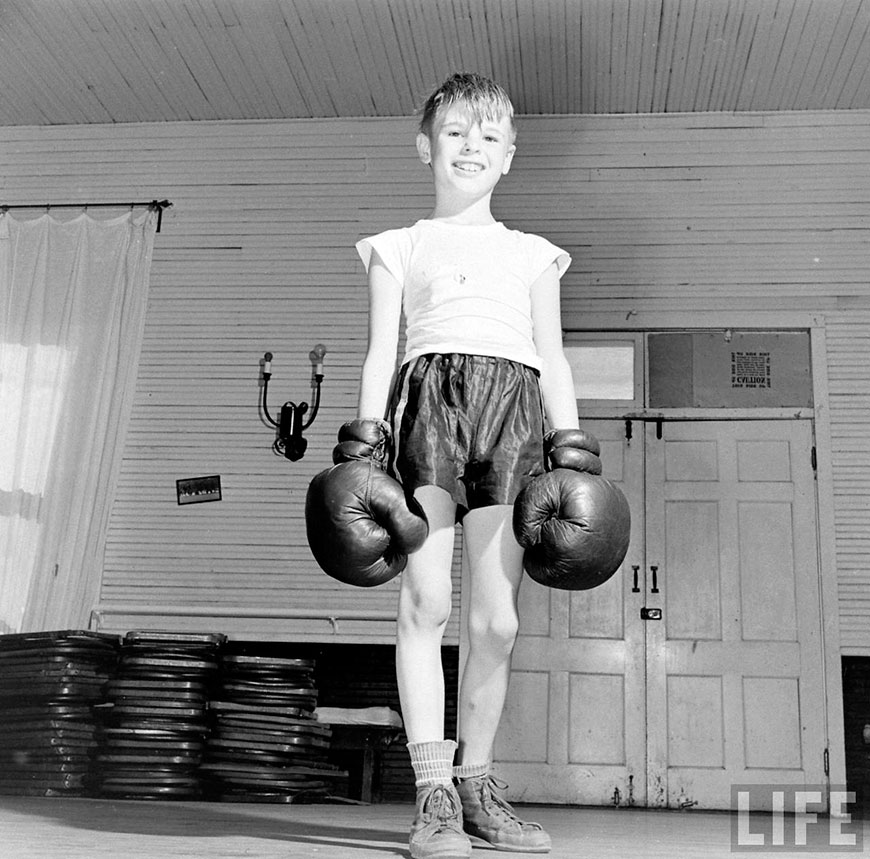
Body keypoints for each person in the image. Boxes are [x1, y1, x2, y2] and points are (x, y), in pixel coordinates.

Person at [354, 72, 579, 859]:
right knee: (424, 603)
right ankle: (433, 795)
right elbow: (384, 348)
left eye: (488, 136)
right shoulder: (398, 245)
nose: (471, 147)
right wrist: (364, 437)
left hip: (512, 413)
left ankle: (478, 787)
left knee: (497, 618)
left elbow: (550, 356)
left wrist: (573, 446)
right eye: (455, 133)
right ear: (426, 147)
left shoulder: (533, 255)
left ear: (510, 155)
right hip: (426, 408)